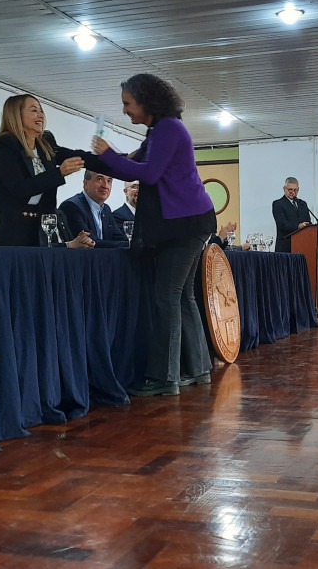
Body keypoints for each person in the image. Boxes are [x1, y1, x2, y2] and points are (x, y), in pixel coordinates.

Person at [90, 73, 217, 396]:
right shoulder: (159, 131)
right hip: (190, 221)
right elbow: (128, 167)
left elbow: (149, 173)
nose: (125, 111)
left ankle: (165, 377)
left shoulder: (168, 129)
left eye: (128, 104)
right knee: (182, 296)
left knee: (167, 297)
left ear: (146, 102)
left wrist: (108, 154)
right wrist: (103, 158)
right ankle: (198, 369)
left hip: (185, 224)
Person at [0, 95, 87, 246]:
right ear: (16, 115)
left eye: (41, 111)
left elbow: (79, 156)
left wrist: (114, 160)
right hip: (5, 228)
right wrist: (58, 173)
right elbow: (19, 188)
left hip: (34, 229)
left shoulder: (45, 146)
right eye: (34, 110)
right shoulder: (6, 145)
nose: (41, 115)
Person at [59, 171, 129, 248]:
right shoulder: (71, 206)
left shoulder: (106, 209)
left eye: (109, 181)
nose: (105, 186)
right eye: (99, 179)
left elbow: (119, 239)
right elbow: (91, 242)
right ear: (85, 184)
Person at [272, 177, 311, 253]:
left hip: (302, 245)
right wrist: (298, 226)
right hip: (285, 246)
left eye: (295, 190)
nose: (292, 192)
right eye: (290, 189)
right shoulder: (278, 204)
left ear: (298, 189)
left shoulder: (302, 204)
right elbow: (282, 224)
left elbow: (308, 223)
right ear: (284, 189)